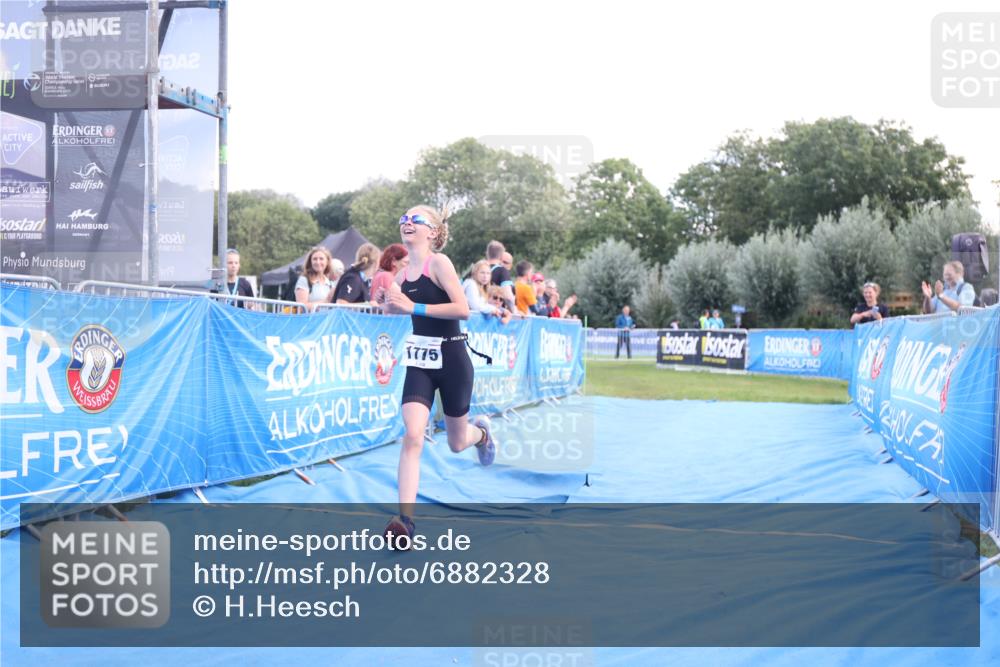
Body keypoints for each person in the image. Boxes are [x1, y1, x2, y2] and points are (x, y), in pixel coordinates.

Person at [382, 205, 497, 544]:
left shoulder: (440, 264)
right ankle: (406, 521)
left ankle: (482, 434)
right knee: (413, 434)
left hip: (452, 360)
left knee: (457, 442)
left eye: (415, 220)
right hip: (420, 362)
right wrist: (386, 303)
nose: (407, 223)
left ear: (432, 232)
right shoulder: (402, 275)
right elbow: (396, 309)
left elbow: (463, 309)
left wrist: (413, 307)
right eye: (403, 218)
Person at [294, 246, 337, 311]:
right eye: (315, 259)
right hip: (309, 320)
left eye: (321, 259)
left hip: (327, 320)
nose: (318, 262)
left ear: (327, 262)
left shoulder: (330, 283)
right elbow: (301, 308)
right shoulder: (304, 280)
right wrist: (326, 301)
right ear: (310, 262)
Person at [372, 243, 408, 310]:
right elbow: (400, 300)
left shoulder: (381, 274)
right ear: (394, 261)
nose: (407, 266)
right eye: (405, 262)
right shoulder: (386, 276)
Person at [486, 240, 515, 311]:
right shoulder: (502, 270)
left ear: (487, 253)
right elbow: (508, 297)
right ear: (501, 256)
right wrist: (513, 311)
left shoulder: (476, 269)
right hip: (493, 313)